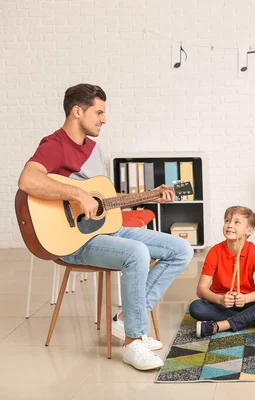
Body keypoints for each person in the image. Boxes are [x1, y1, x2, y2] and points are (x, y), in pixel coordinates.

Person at [17, 83, 194, 371]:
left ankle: (126, 319)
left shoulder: (93, 149)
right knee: (136, 252)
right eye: (98, 112)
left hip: (104, 232)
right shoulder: (55, 144)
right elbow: (27, 180)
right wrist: (76, 194)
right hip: (73, 242)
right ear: (77, 111)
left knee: (181, 249)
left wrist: (151, 194)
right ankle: (133, 341)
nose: (104, 119)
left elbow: (103, 200)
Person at [190, 206, 255, 337]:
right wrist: (220, 299)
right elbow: (201, 290)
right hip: (221, 304)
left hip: (247, 302)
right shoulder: (214, 252)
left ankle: (220, 326)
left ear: (249, 230)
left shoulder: (254, 252)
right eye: (227, 221)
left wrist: (246, 298)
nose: (230, 225)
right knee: (196, 307)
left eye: (236, 222)